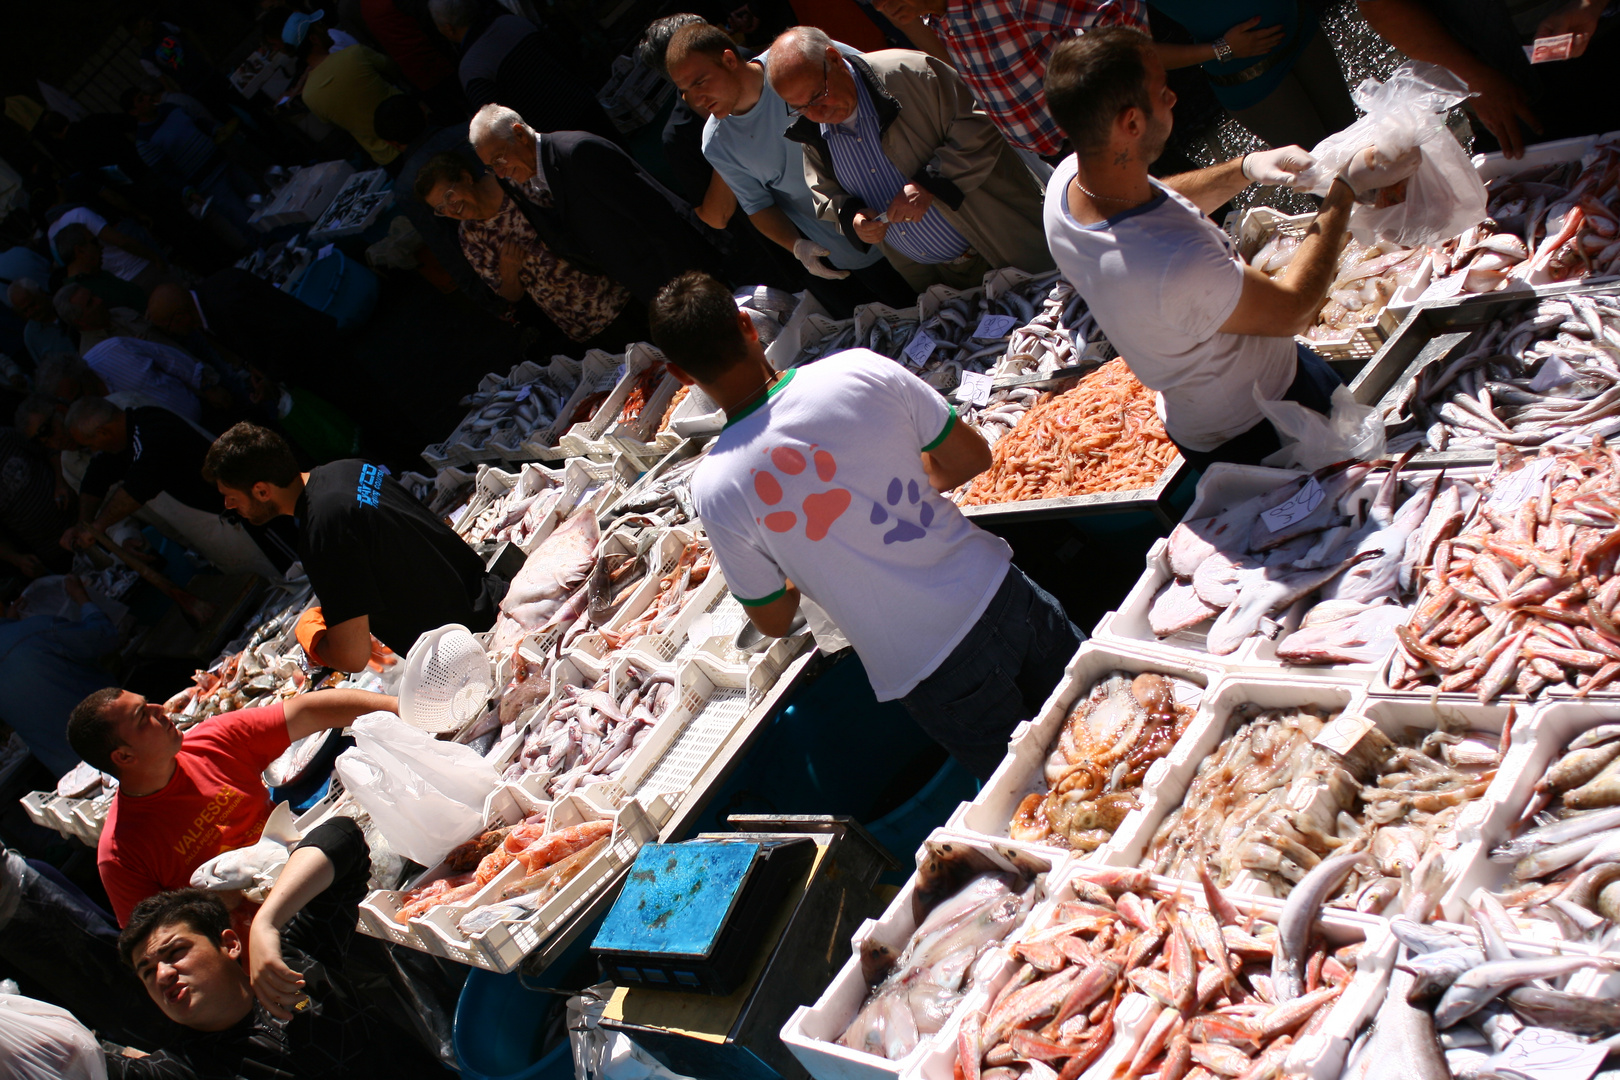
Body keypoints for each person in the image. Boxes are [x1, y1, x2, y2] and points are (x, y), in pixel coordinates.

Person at [648, 272, 1083, 778]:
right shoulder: (856, 369)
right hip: (1000, 594)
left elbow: (771, 620)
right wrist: (906, 480)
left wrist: (803, 556)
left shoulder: (716, 487)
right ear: (747, 325)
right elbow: (971, 457)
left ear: (680, 376)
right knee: (1120, 723)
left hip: (930, 669)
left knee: (1045, 799)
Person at [1040, 27, 1420, 470]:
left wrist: (1244, 168)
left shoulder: (1068, 184)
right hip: (1262, 425)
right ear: (1131, 123)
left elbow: (1159, 195)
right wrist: (1343, 193)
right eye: (1163, 92)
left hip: (1229, 397)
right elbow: (1294, 310)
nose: (1174, 99)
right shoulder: (1172, 262)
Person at [107, 818, 455, 1077]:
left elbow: (343, 836)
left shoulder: (294, 959)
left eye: (174, 952)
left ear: (229, 944)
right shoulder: (181, 1069)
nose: (163, 975)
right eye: (148, 971)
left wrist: (267, 922)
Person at [67, 684, 397, 926]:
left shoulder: (210, 741)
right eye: (143, 717)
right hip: (282, 945)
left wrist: (399, 707)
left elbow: (308, 710)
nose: (160, 709)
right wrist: (212, 909)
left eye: (148, 702)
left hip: (339, 884)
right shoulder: (120, 853)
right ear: (124, 757)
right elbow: (154, 941)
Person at [769, 27, 1055, 291]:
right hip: (946, 280)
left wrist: (930, 184)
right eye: (800, 107)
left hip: (1010, 246)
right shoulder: (813, 132)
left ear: (834, 59)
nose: (816, 113)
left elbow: (982, 123)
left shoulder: (911, 73)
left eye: (819, 96)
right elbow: (824, 193)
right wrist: (853, 218)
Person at [665, 21, 918, 315]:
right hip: (856, 247)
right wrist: (799, 247)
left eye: (700, 82)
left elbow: (882, 85)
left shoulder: (795, 56)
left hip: (912, 203)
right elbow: (757, 205)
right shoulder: (716, 143)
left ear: (729, 60)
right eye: (684, 91)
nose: (695, 99)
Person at [204, 423, 503, 667]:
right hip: (489, 594)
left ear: (261, 491)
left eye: (231, 496)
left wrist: (310, 636)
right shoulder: (346, 470)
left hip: (472, 646)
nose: (229, 505)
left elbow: (352, 656)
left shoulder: (321, 530)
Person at [467, 105, 728, 306]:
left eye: (499, 159)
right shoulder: (541, 174)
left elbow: (655, 218)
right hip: (659, 285)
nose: (500, 173)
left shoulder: (577, 153)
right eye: (492, 167)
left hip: (688, 276)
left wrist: (684, 291)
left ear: (519, 134)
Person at [412, 152, 644, 347]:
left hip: (618, 285)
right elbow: (510, 295)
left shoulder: (513, 183)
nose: (451, 208)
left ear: (465, 177)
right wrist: (508, 271)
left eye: (449, 196)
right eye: (441, 208)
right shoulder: (470, 237)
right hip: (583, 319)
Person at [866, 0, 1147, 160]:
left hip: (1102, 130)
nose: (882, 6)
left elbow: (1118, 11)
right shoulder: (938, 21)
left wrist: (1136, 83)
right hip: (1058, 152)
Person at [1358, 0, 1620, 160]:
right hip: (1496, 81)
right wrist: (1474, 78)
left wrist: (1592, 3)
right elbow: (1380, 5)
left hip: (1603, 36)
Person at [64, 398, 284, 580]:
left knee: (292, 572)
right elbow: (97, 475)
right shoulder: (123, 445)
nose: (92, 450)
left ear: (103, 433)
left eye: (89, 444)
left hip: (249, 521)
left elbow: (140, 484)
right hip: (223, 530)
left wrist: (98, 526)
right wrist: (83, 523)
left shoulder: (152, 428)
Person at [1147, 1, 1355, 151]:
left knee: (1361, 145)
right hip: (1249, 77)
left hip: (1299, 26)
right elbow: (1131, 54)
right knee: (1326, 179)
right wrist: (1221, 49)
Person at [371, 100, 501, 317]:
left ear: (391, 143)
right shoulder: (471, 130)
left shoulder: (407, 188)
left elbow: (445, 245)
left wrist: (488, 299)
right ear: (423, 111)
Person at [429, 0, 619, 143]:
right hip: (585, 107)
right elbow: (565, 58)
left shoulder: (472, 68)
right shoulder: (514, 23)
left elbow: (499, 125)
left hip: (555, 136)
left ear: (448, 28)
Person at [0, 574, 119, 776]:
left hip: (74, 776)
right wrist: (81, 598)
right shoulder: (35, 630)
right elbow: (104, 635)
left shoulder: (26, 634)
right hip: (118, 744)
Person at [122, 86, 258, 244]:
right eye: (140, 100)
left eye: (144, 94)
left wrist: (215, 129)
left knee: (258, 201)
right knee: (245, 220)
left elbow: (197, 122)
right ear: (134, 112)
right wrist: (188, 192)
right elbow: (166, 173)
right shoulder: (144, 142)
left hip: (222, 163)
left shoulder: (169, 108)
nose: (147, 98)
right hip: (208, 183)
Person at [291, 17, 405, 166]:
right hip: (411, 128)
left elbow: (337, 125)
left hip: (385, 156)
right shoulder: (355, 54)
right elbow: (394, 70)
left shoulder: (309, 96)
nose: (325, 29)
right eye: (319, 26)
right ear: (314, 39)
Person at [0, 427, 74, 579]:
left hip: (77, 516)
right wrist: (17, 559)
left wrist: (61, 481)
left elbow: (49, 448)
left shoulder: (5, 438)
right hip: (51, 549)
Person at [46, 205, 168, 297]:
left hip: (119, 284)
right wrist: (154, 257)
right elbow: (121, 241)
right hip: (138, 269)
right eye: (95, 242)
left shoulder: (52, 234)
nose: (101, 247)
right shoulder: (79, 214)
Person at [55, 223, 152, 313]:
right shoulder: (78, 294)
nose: (101, 247)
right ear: (80, 250)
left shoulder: (98, 274)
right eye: (94, 242)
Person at [8, 279, 78, 365]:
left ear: (41, 293)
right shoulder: (31, 335)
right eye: (25, 310)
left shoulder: (67, 303)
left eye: (32, 305)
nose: (31, 312)